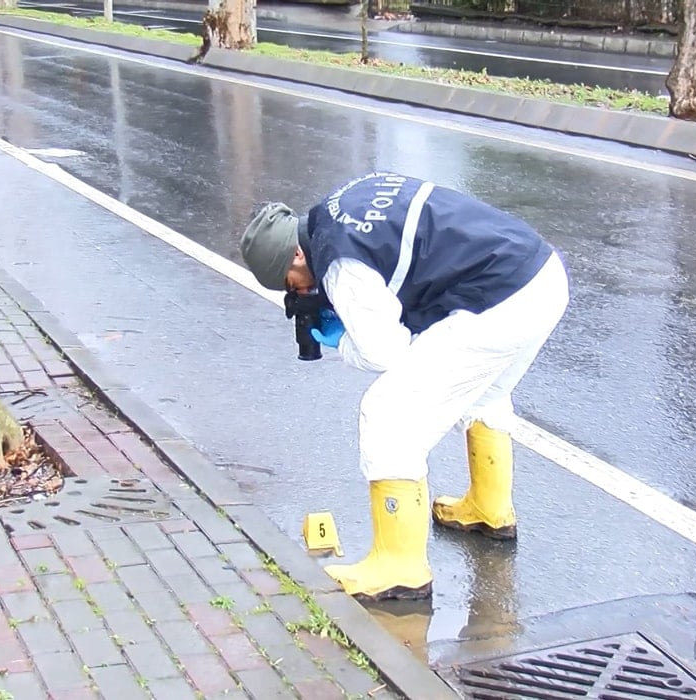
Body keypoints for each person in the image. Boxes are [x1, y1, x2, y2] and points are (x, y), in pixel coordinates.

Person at [239, 172, 569, 602]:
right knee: (483, 393)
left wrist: (343, 341)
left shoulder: (340, 265)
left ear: (297, 254)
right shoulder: (340, 206)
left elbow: (386, 352)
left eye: (291, 281)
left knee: (388, 415)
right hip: (540, 275)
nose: (301, 290)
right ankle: (489, 508)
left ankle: (399, 567)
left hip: (500, 303)